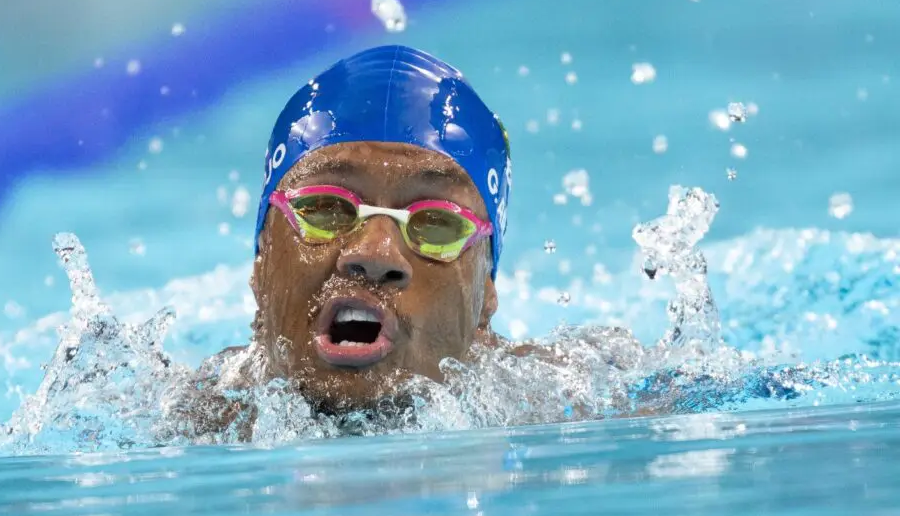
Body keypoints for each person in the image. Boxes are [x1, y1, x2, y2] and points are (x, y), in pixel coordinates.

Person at [180, 45, 634, 438]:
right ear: (260, 260)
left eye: (436, 223)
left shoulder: (570, 410)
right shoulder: (187, 421)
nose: (374, 254)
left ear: (486, 292)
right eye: (325, 209)